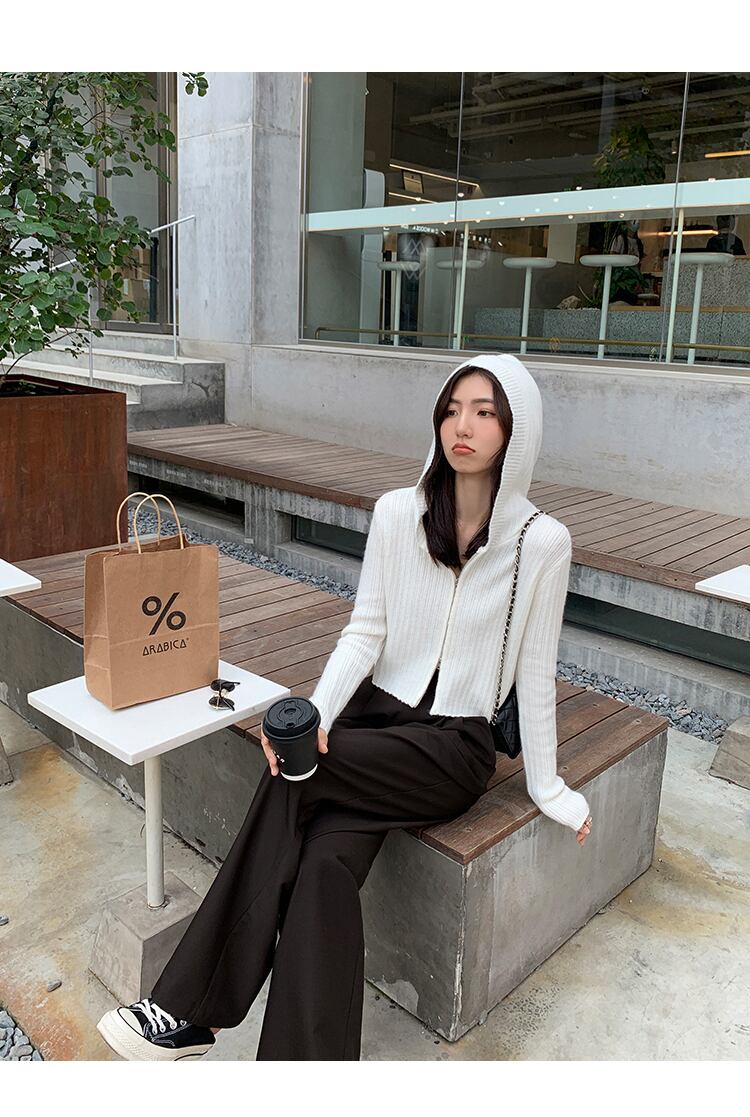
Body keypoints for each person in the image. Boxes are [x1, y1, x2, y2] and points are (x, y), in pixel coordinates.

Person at [96, 353, 593, 1063]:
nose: (463, 425)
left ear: (519, 430)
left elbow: (537, 671)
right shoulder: (397, 514)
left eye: (485, 412)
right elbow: (365, 633)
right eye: (452, 409)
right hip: (371, 720)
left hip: (452, 746)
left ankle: (189, 1009)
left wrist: (549, 788)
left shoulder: (543, 543)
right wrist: (321, 716)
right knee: (324, 863)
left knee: (296, 773)